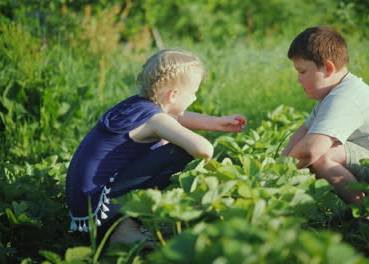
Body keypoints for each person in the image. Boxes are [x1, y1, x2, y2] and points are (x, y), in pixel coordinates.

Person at [65, 49, 247, 248]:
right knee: (180, 151)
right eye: (193, 93)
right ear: (174, 94)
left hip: (85, 205)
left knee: (169, 141)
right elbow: (203, 150)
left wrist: (217, 122)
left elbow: (177, 117)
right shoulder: (155, 119)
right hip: (102, 208)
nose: (194, 98)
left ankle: (123, 225)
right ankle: (122, 230)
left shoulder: (137, 106)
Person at [281, 26, 369, 205]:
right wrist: (279, 164)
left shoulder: (346, 96)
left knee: (321, 156)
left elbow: (310, 150)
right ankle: (358, 210)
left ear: (328, 68)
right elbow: (303, 132)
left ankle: (365, 216)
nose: (298, 79)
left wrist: (277, 177)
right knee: (317, 151)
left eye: (302, 72)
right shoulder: (331, 95)